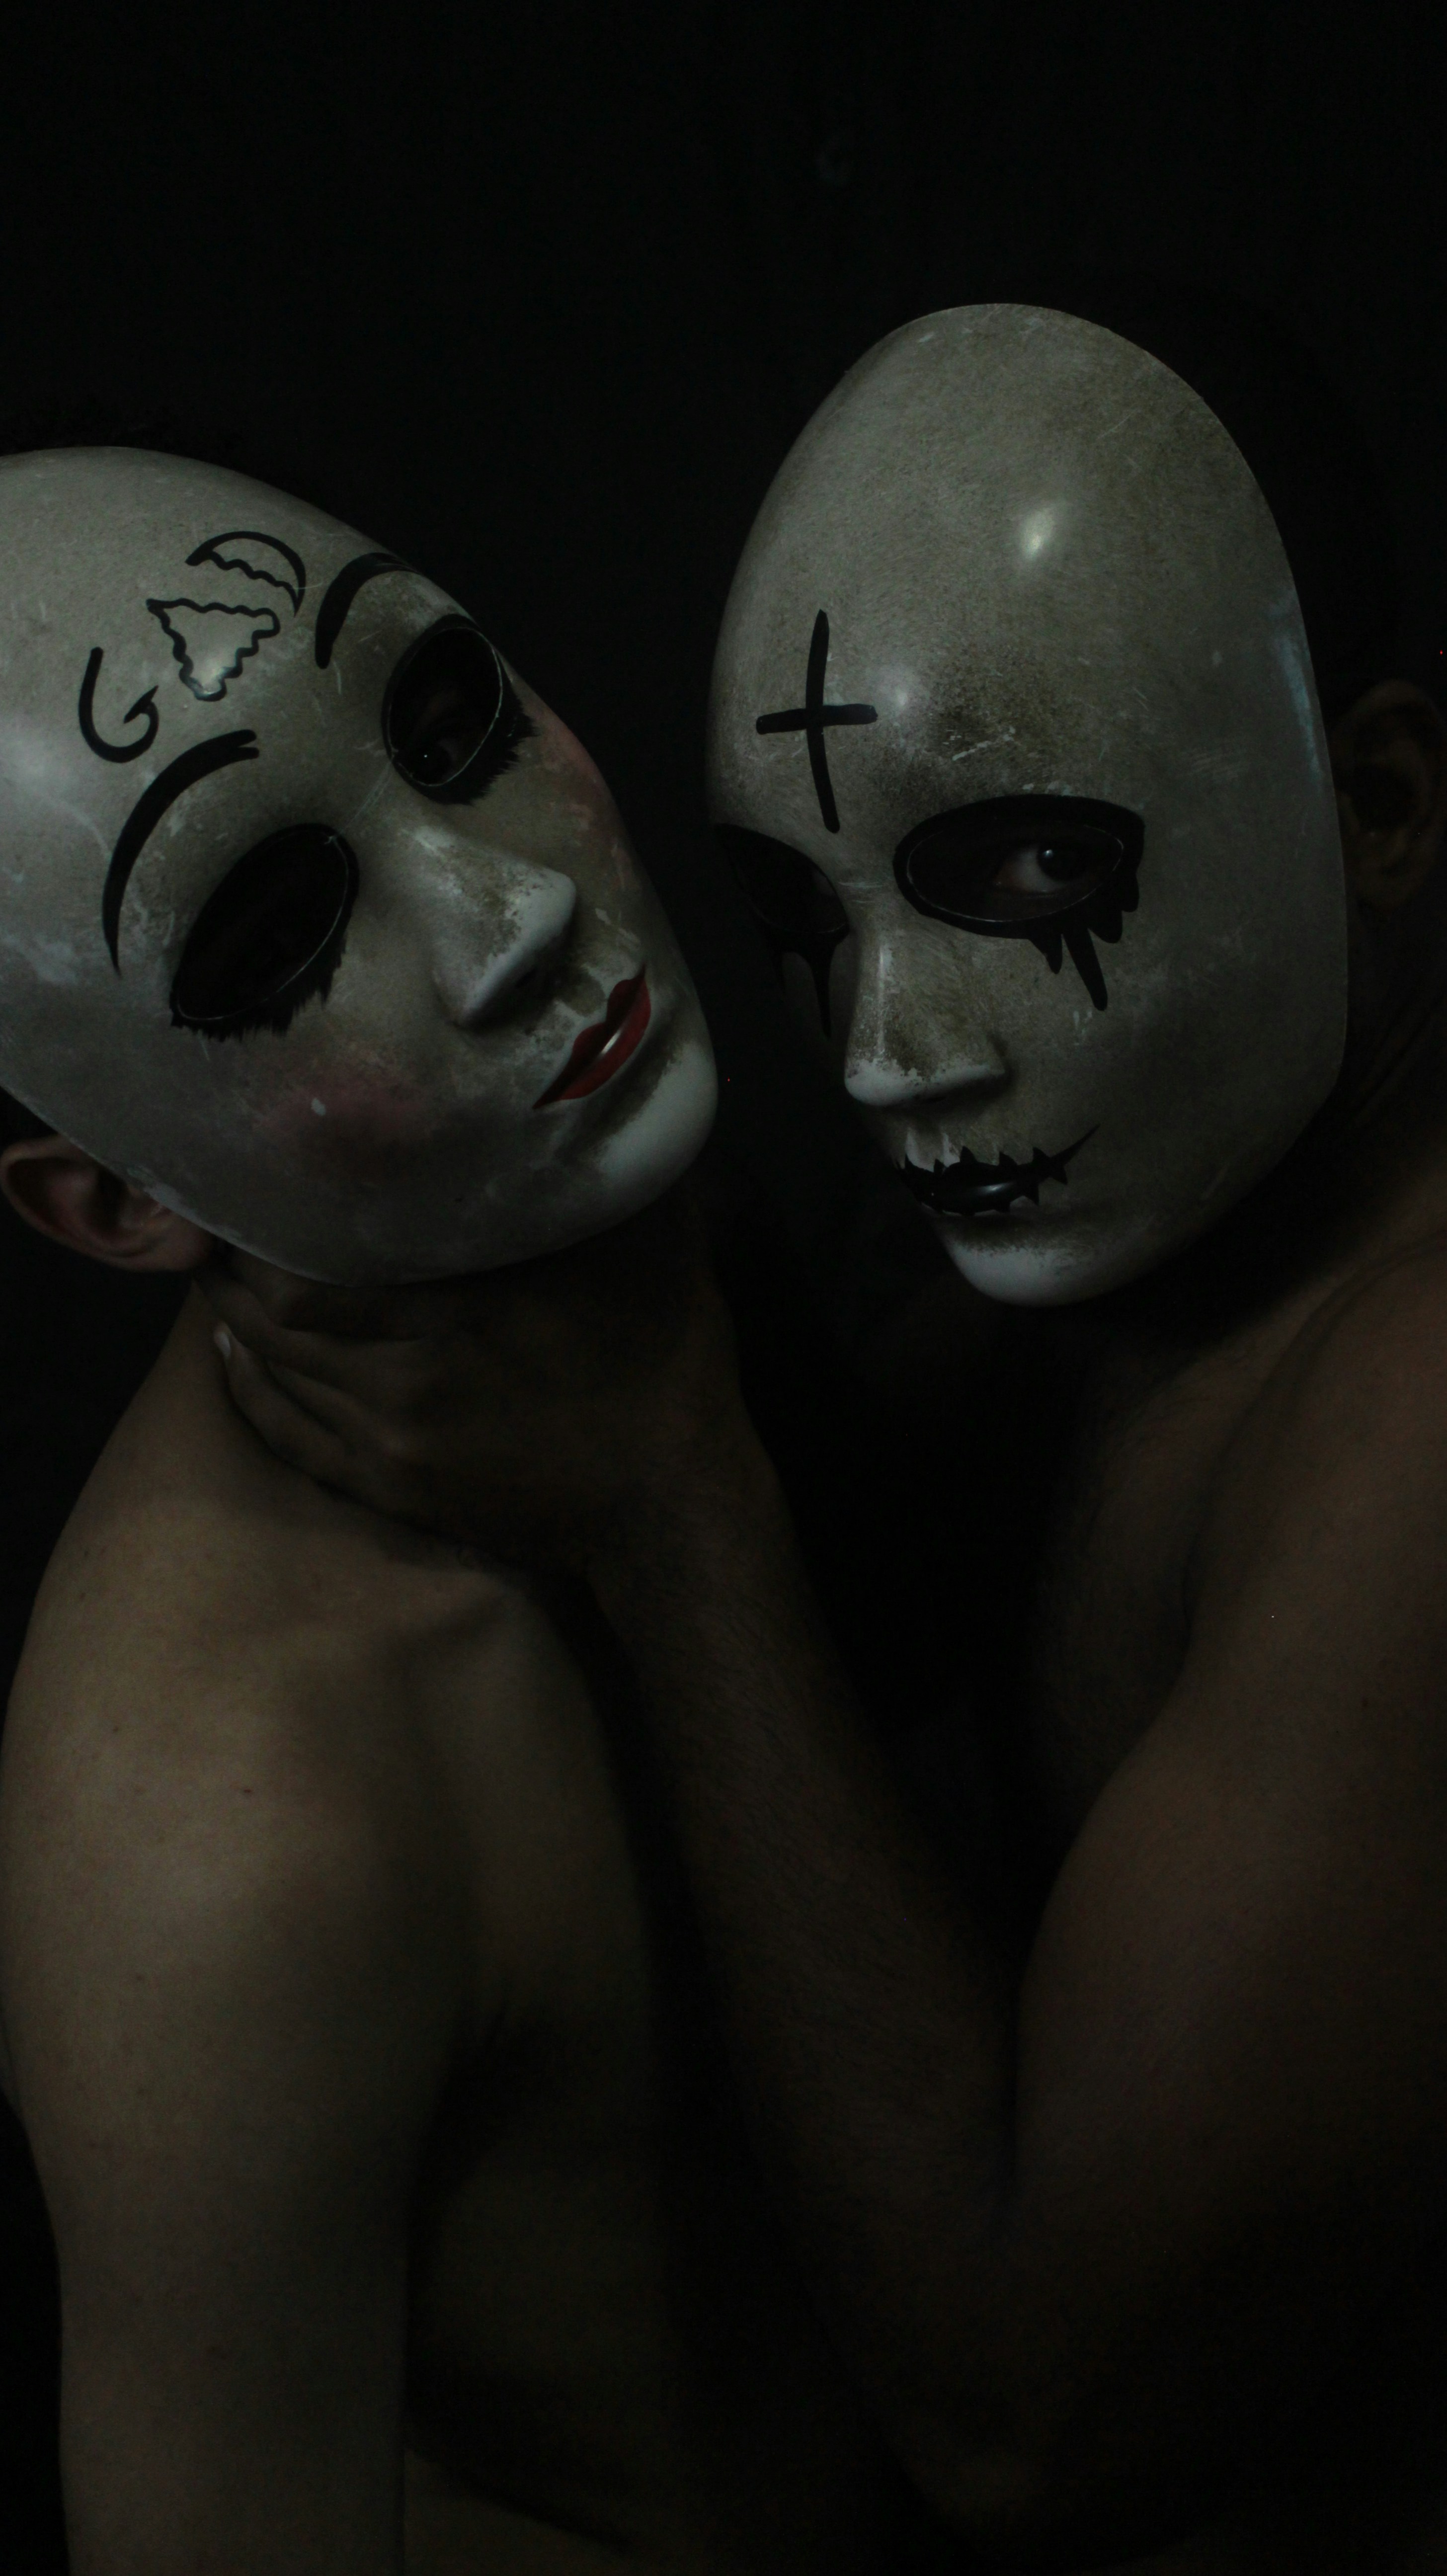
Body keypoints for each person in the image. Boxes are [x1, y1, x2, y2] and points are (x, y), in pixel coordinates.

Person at [204, 291, 1447, 2572]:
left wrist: (668, 1500)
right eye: (802, 910)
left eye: (1022, 873)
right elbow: (887, 1603)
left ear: (1373, 806)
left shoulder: (1411, 1419)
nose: (880, 1047)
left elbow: (1020, 2407)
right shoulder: (1189, 1219)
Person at [0, 442, 923, 2574]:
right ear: (114, 1203)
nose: (515, 914)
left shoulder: (616, 1244)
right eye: (276, 928)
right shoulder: (222, 1820)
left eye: (451, 721)